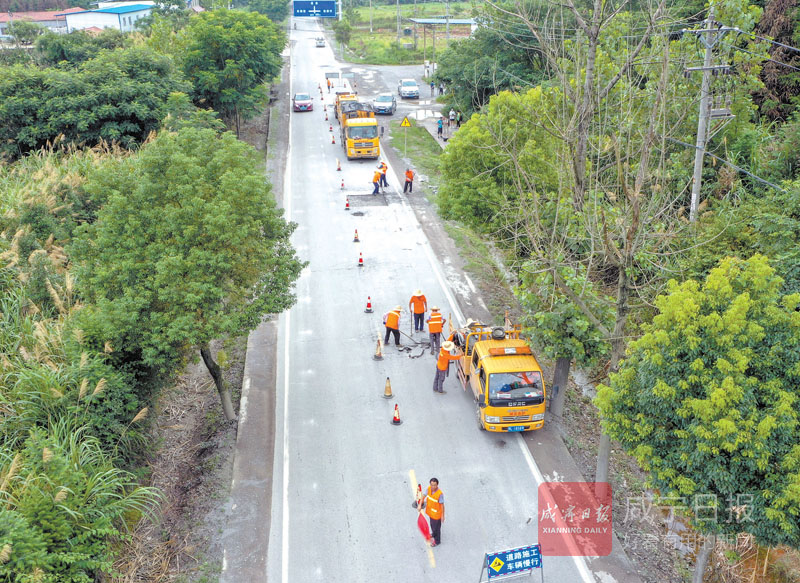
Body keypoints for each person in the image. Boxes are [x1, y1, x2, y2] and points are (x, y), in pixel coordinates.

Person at [425, 478, 445, 547]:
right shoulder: (429, 489)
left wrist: (442, 515)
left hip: (436, 515)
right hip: (431, 513)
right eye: (432, 485)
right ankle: (433, 534)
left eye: (434, 485)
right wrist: (420, 504)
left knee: (436, 528)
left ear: (437, 485)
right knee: (432, 525)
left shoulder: (440, 494)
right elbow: (424, 495)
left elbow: (442, 505)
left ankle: (437, 541)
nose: (433, 487)